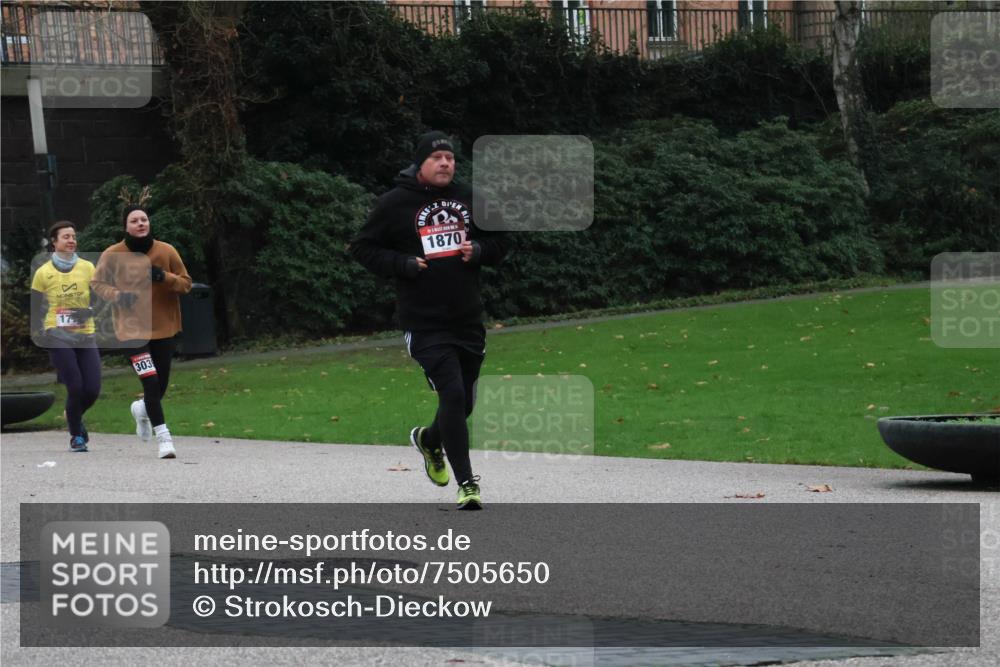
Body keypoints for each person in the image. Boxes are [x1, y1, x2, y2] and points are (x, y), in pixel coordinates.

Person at [351, 131, 509, 510]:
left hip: (467, 317)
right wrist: (401, 264)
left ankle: (430, 440)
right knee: (452, 394)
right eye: (437, 157)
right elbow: (363, 247)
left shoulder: (470, 197)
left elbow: (503, 241)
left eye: (450, 158)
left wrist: (481, 249)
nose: (445, 164)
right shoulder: (395, 203)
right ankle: (468, 484)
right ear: (421, 163)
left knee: (464, 402)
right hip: (423, 321)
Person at [92, 205, 192, 459]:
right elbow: (97, 283)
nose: (140, 223)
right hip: (131, 331)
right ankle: (164, 438)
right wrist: (116, 296)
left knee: (160, 386)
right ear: (125, 226)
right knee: (150, 380)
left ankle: (141, 409)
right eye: (134, 220)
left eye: (144, 219)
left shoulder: (166, 250)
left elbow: (186, 284)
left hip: (163, 327)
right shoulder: (112, 254)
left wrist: (164, 277)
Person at [30, 221, 101, 453]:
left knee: (92, 389)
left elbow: (99, 299)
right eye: (66, 237)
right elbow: (36, 306)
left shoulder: (87, 267)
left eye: (73, 236)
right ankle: (76, 436)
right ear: (54, 242)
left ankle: (73, 414)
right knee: (76, 386)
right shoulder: (43, 273)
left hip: (85, 333)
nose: (71, 240)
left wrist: (89, 311)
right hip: (56, 334)